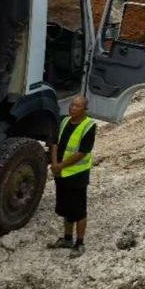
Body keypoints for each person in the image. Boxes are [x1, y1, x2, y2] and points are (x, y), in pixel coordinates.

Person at [47, 95, 95, 258]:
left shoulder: (89, 126)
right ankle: (67, 238)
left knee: (79, 210)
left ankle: (79, 243)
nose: (72, 108)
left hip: (77, 175)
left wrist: (60, 165)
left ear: (84, 109)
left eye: (77, 106)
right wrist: (54, 164)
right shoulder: (64, 121)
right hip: (61, 173)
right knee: (66, 208)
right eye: (72, 105)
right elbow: (54, 143)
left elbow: (82, 152)